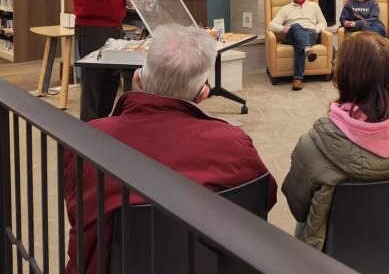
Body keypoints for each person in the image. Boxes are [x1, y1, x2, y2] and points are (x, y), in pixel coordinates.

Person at [64, 24, 277, 274]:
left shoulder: (89, 143)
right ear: (203, 93)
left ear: (138, 79)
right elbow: (262, 200)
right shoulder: (234, 143)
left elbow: (81, 223)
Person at [282, 32, 389, 250]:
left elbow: (298, 207)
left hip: (335, 263)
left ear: (345, 78)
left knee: (302, 225)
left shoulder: (313, 145)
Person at [71, 0, 148, 121]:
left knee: (110, 82)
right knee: (94, 84)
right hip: (93, 30)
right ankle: (88, 130)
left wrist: (137, 2)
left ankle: (104, 125)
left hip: (114, 28)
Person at [268, 0, 327, 91]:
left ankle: (298, 78)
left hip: (311, 33)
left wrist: (316, 29)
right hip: (292, 33)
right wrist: (282, 28)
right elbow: (271, 25)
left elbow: (323, 23)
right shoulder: (286, 8)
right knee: (295, 26)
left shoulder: (314, 6)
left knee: (299, 42)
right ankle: (307, 51)